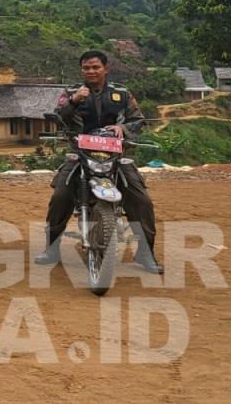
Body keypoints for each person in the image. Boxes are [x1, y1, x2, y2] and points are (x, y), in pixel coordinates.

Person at [34, 50, 163, 274]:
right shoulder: (71, 92)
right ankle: (51, 248)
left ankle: (145, 252)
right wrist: (74, 102)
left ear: (106, 68)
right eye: (86, 68)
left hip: (116, 156)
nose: (91, 71)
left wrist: (121, 128)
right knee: (60, 196)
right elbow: (58, 116)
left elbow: (138, 120)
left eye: (95, 67)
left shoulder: (122, 93)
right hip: (79, 154)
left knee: (142, 200)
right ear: (81, 70)